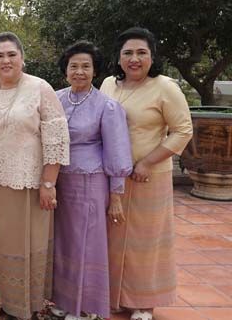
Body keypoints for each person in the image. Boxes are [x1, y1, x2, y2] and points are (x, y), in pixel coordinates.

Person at [0, 32, 70, 320]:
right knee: (0, 242)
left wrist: (48, 182)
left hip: (30, 183)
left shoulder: (40, 88)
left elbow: (56, 137)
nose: (6, 60)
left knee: (28, 244)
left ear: (22, 58)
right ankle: (7, 301)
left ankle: (26, 306)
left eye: (11, 54)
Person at [100, 28, 193, 320]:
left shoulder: (165, 87)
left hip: (147, 178)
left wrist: (147, 162)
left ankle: (142, 303)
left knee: (145, 242)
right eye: (128, 52)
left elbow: (183, 131)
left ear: (153, 56)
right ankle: (114, 296)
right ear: (119, 57)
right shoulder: (107, 85)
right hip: (111, 178)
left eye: (142, 52)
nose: (134, 59)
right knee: (113, 238)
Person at [49, 41, 133, 320]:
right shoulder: (56, 99)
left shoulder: (107, 106)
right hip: (59, 181)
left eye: (86, 66)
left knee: (87, 244)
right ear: (65, 71)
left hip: (91, 183)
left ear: (95, 71)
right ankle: (63, 300)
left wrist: (116, 195)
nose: (80, 72)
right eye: (74, 66)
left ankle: (86, 306)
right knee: (63, 243)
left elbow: (117, 151)